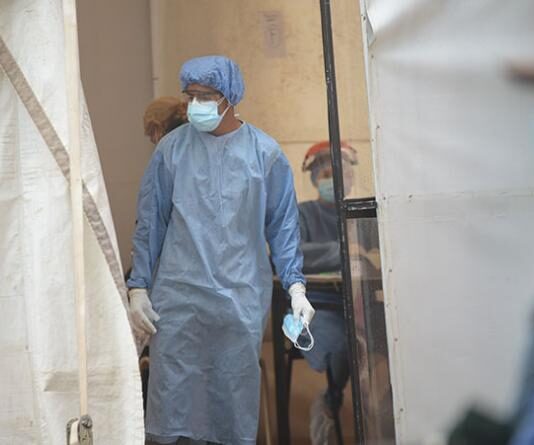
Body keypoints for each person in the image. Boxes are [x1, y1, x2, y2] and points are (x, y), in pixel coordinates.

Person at [126, 55, 315, 445]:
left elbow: (282, 227)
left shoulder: (265, 154)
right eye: (191, 95)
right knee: (173, 400)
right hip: (178, 300)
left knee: (231, 399)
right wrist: (139, 286)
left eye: (207, 95)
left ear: (230, 96)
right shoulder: (171, 151)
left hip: (238, 298)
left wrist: (296, 287)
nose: (196, 104)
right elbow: (151, 222)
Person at [298, 140, 363, 444]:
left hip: (358, 303)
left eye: (341, 173)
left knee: (379, 342)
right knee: (343, 344)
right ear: (314, 179)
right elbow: (293, 254)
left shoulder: (359, 214)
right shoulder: (303, 213)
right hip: (315, 306)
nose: (334, 180)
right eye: (326, 175)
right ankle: (330, 401)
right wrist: (346, 250)